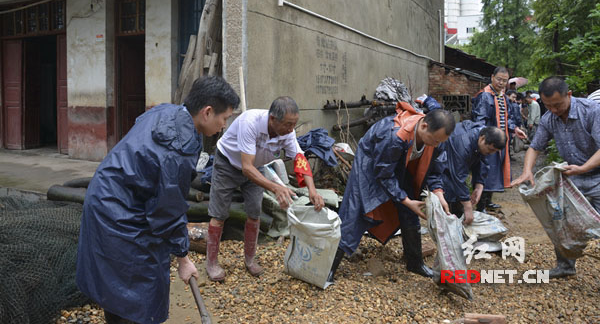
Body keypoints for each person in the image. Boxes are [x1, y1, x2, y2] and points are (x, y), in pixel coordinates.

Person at [76, 76, 240, 324]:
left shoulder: (169, 111)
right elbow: (166, 212)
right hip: (118, 212)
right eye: (224, 118)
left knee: (122, 285)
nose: (224, 125)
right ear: (207, 112)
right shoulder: (176, 149)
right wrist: (184, 258)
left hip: (107, 195)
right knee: (139, 288)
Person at [327, 103, 455, 282]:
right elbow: (383, 173)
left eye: (440, 142)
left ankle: (414, 262)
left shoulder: (435, 140)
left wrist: (439, 193)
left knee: (411, 209)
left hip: (400, 165)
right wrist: (404, 199)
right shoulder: (394, 136)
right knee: (356, 211)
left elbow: (435, 169)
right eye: (435, 140)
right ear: (424, 125)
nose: (436, 144)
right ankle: (328, 267)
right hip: (371, 164)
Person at [206, 96, 325, 281]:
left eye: (294, 124)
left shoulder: (288, 132)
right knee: (219, 214)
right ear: (272, 119)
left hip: (256, 168)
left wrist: (312, 190)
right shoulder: (250, 122)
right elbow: (247, 167)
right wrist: (276, 187)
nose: (290, 130)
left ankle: (250, 260)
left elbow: (300, 159)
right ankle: (211, 263)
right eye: (287, 124)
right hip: (228, 163)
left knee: (254, 213)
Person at [512, 76, 600, 279]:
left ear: (569, 95)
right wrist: (527, 171)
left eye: (558, 105)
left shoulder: (592, 111)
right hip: (573, 178)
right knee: (561, 221)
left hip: (596, 175)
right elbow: (535, 147)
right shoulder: (549, 118)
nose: (553, 110)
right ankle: (565, 265)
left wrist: (583, 168)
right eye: (548, 105)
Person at [471, 67, 527, 212]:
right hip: (488, 142)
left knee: (495, 172)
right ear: (492, 77)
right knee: (485, 172)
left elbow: (506, 118)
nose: (501, 83)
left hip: (500, 142)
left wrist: (515, 129)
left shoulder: (501, 96)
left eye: (504, 80)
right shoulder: (485, 96)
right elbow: (480, 121)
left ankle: (488, 201)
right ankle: (480, 206)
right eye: (499, 79)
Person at [440, 121, 506, 225]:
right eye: (490, 150)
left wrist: (479, 185)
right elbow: (458, 175)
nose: (490, 153)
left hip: (456, 168)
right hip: (443, 167)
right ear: (482, 138)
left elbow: (483, 161)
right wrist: (467, 205)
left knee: (459, 199)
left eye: (494, 151)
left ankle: (458, 222)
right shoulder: (463, 143)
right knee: (449, 196)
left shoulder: (483, 138)